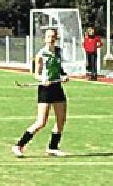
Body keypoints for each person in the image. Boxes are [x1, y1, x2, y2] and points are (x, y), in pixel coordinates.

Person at [12, 28, 70, 157]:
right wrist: (42, 79)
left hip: (57, 87)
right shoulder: (41, 54)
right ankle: (19, 145)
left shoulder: (58, 52)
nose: (51, 39)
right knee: (41, 122)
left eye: (54, 36)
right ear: (45, 39)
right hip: (45, 89)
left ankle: (53, 147)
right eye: (49, 36)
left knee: (61, 120)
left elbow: (60, 69)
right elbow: (36, 74)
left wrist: (64, 76)